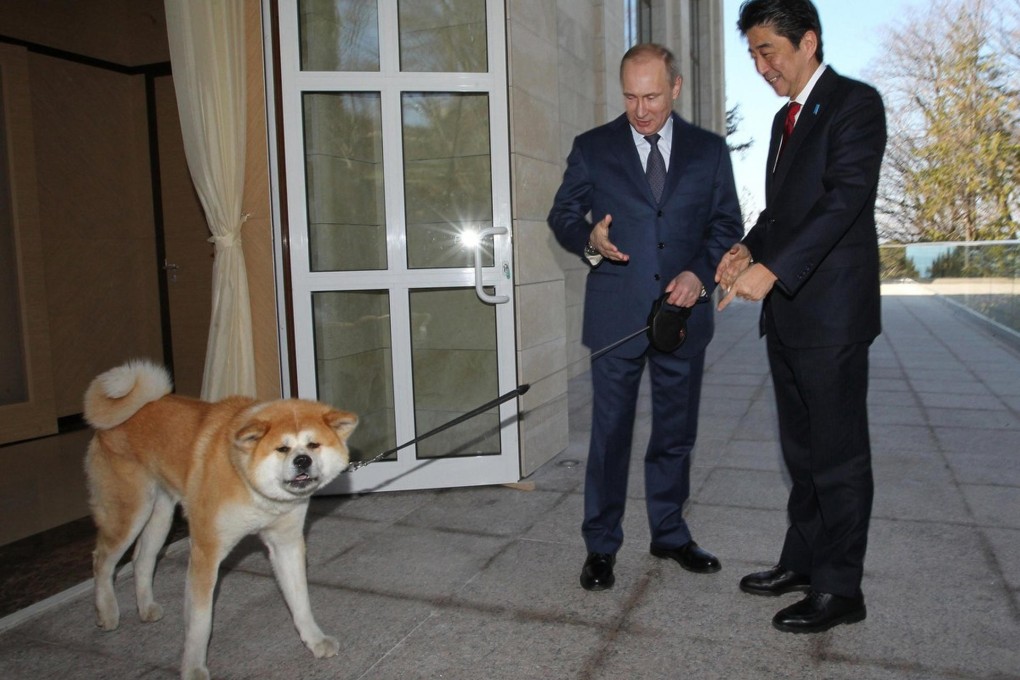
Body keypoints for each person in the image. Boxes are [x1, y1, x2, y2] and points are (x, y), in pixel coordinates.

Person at [715, 0, 886, 632]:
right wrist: (747, 249)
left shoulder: (854, 104)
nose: (760, 66)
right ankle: (806, 560)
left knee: (837, 456)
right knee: (802, 452)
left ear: (807, 41)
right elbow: (784, 212)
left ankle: (842, 589)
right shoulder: (788, 119)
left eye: (769, 51)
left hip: (833, 316)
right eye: (753, 54)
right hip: (790, 319)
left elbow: (843, 200)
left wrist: (774, 270)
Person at [548, 43, 743, 591]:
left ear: (675, 88)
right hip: (616, 317)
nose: (641, 109)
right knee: (609, 437)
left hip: (684, 316)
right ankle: (601, 545)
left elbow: (727, 223)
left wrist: (700, 273)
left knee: (675, 434)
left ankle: (670, 533)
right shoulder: (593, 147)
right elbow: (562, 214)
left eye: (652, 95)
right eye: (631, 96)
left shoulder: (709, 151)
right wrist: (589, 239)